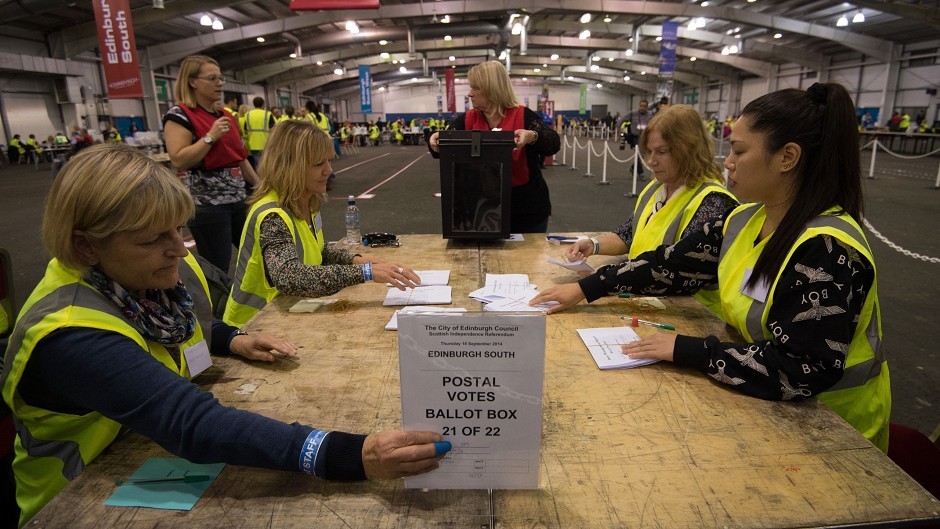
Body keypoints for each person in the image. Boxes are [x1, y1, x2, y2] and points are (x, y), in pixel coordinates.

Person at [0, 143, 446, 527]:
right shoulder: (71, 333)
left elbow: (177, 325)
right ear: (85, 246)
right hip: (79, 496)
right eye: (152, 238)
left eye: (179, 228)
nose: (177, 248)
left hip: (137, 449)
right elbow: (192, 423)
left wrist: (231, 338)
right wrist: (350, 454)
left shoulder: (133, 275)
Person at [532, 82, 890, 452]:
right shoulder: (746, 219)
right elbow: (671, 264)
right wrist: (588, 288)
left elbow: (799, 367)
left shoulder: (827, 250)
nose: (728, 163)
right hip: (762, 402)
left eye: (739, 151)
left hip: (832, 430)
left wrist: (690, 350)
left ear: (787, 157)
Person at [223, 120, 421, 327]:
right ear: (288, 166)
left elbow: (317, 250)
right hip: (253, 326)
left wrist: (357, 260)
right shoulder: (273, 216)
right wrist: (365, 273)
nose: (329, 170)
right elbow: (289, 277)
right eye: (319, 164)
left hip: (288, 314)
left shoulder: (306, 202)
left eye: (328, 161)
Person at [564, 105, 737, 315]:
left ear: (688, 150)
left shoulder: (713, 202)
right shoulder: (656, 188)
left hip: (691, 315)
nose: (651, 161)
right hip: (647, 299)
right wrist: (594, 244)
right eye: (650, 151)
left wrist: (594, 285)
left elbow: (673, 270)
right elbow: (630, 233)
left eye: (662, 152)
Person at [428, 60, 560, 233]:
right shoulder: (467, 120)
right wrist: (435, 142)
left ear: (492, 89)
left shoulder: (524, 115)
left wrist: (532, 136)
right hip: (481, 212)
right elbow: (440, 151)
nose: (469, 93)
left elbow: (553, 143)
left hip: (526, 209)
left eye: (475, 88)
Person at [163, 54, 260, 274]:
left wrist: (258, 186)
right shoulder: (179, 115)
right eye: (212, 78)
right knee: (218, 267)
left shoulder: (225, 115)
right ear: (192, 81)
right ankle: (220, 309)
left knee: (258, 254)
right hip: (208, 206)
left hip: (238, 200)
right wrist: (210, 136)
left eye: (220, 78)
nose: (220, 83)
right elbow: (178, 158)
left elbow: (240, 156)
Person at [615, 99, 653, 180]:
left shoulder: (650, 116)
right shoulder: (632, 114)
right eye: (641, 106)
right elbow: (621, 120)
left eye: (644, 106)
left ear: (647, 107)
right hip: (635, 137)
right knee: (638, 153)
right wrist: (618, 129)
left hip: (645, 138)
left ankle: (633, 168)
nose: (642, 108)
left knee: (641, 155)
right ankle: (641, 173)